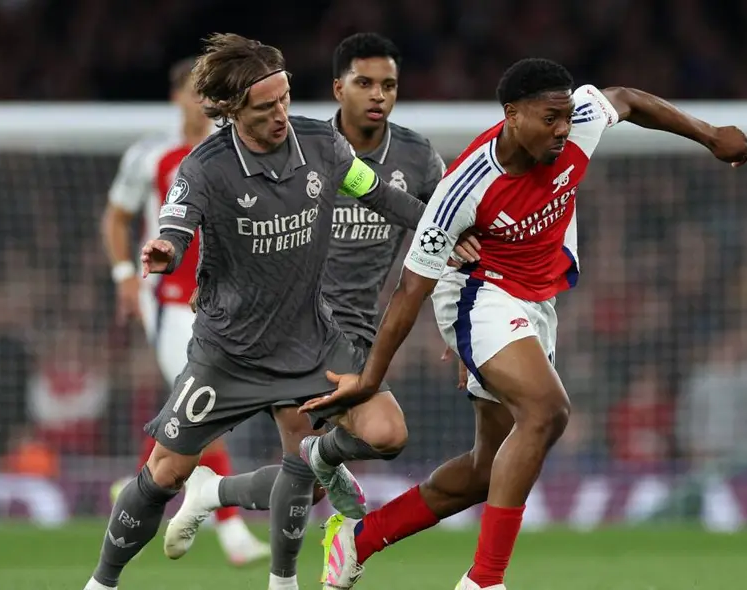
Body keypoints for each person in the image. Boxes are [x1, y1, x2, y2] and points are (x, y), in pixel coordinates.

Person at [306, 57, 747, 590]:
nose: (563, 129)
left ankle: (358, 539)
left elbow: (628, 99)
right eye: (550, 119)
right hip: (479, 295)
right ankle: (484, 581)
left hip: (536, 299)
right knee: (548, 411)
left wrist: (709, 136)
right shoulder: (463, 188)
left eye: (567, 116)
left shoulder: (579, 123)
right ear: (512, 115)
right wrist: (371, 381)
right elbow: (411, 292)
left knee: (486, 470)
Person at [83, 33, 476, 590]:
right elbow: (177, 221)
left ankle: (294, 536)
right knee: (164, 472)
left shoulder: (322, 146)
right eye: (266, 108)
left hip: (310, 341)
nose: (280, 115)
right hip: (228, 352)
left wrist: (440, 231)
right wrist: (166, 249)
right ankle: (101, 582)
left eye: (285, 99)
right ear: (231, 111)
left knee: (385, 434)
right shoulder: (205, 166)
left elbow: (380, 195)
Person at [100, 57, 269, 566]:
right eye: (195, 91)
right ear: (177, 97)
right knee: (200, 399)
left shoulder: (239, 151)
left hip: (230, 298)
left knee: (191, 405)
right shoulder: (150, 155)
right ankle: (232, 528)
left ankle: (139, 483)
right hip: (169, 299)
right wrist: (125, 276)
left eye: (211, 91)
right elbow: (117, 217)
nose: (204, 100)